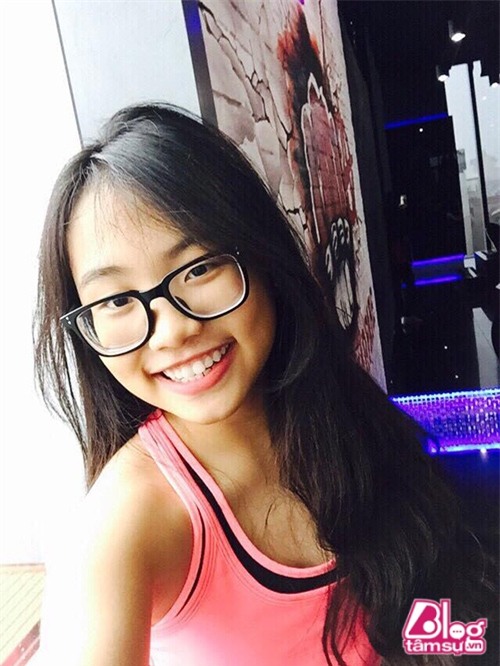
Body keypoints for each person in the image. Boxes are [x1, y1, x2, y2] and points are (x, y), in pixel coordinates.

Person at [33, 103, 497, 666]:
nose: (173, 330)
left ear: (262, 255)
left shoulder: (335, 407)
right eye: (116, 300)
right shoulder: (119, 530)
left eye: (199, 267)